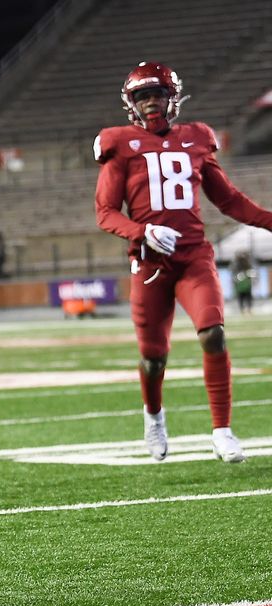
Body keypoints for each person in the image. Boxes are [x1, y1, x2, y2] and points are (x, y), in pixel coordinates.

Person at [94, 61, 272, 463]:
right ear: (131, 104)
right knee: (154, 357)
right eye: (143, 96)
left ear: (173, 99)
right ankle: (153, 415)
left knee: (214, 333)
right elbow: (105, 212)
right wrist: (143, 232)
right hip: (150, 263)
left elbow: (228, 200)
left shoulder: (196, 139)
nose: (151, 103)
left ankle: (222, 430)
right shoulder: (119, 144)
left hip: (193, 256)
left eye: (157, 94)